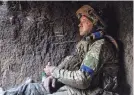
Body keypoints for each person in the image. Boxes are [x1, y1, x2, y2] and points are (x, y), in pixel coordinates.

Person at [0, 5, 119, 95]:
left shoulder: (101, 45)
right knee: (30, 89)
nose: (79, 25)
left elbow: (82, 80)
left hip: (92, 92)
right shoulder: (86, 45)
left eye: (83, 21)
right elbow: (72, 62)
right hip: (77, 89)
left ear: (95, 23)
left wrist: (54, 71)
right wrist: (54, 77)